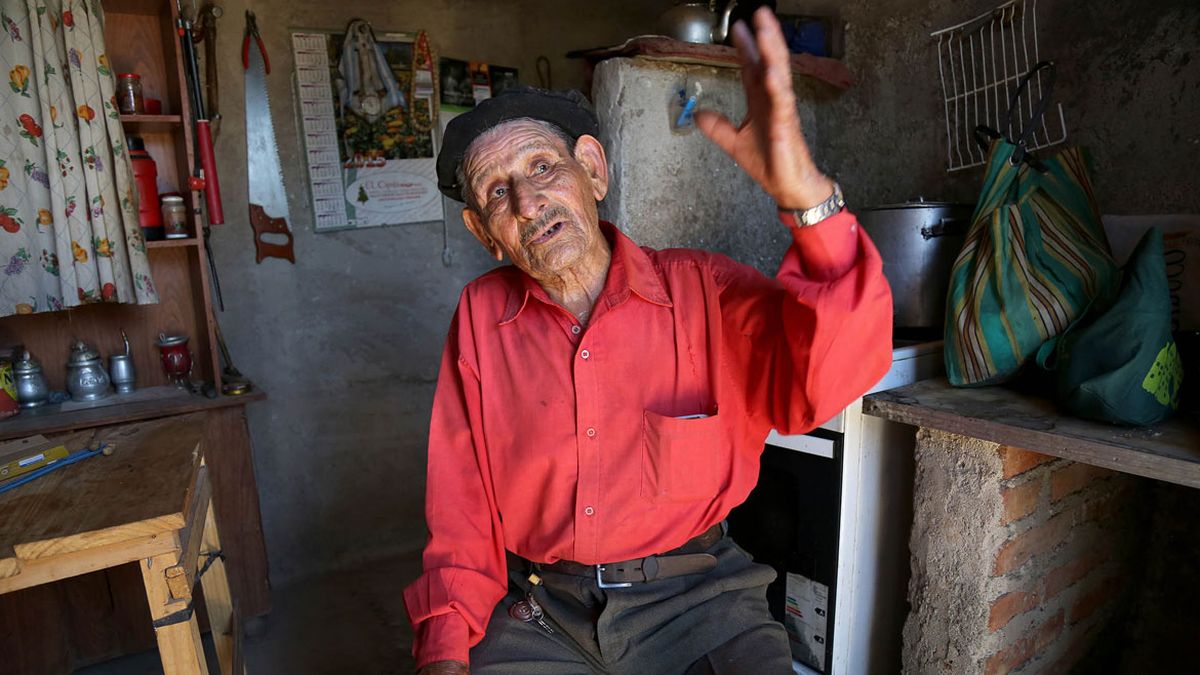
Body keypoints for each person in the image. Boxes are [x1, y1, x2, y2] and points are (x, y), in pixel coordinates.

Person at [405, 8, 893, 674]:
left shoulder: (706, 292)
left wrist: (810, 201)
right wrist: (442, 652)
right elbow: (459, 513)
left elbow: (832, 377)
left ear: (593, 172)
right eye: (497, 191)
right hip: (544, 611)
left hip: (700, 598)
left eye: (543, 167)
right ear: (485, 232)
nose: (526, 204)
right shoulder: (481, 316)